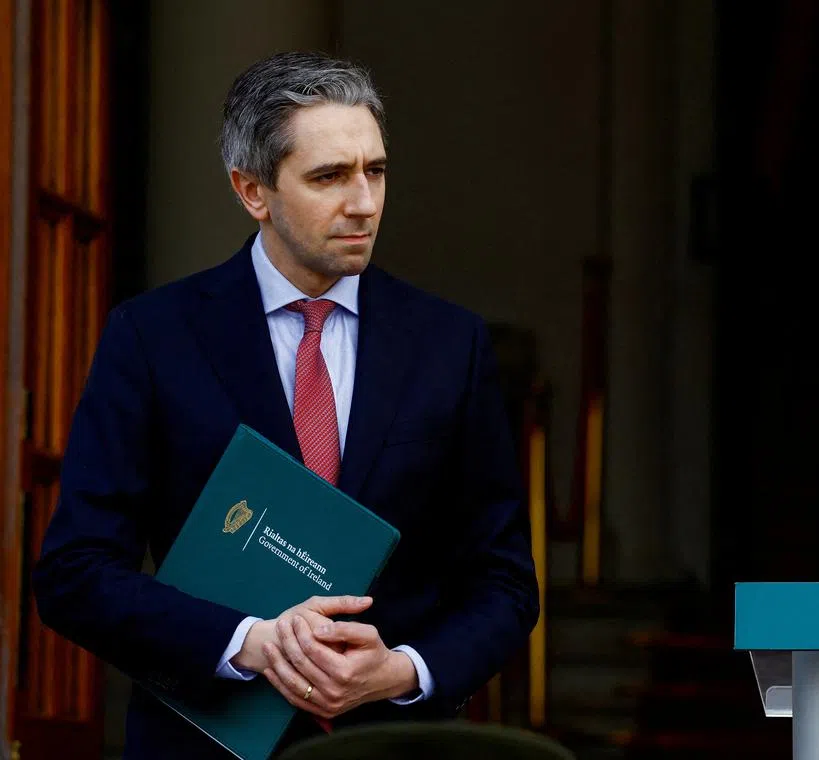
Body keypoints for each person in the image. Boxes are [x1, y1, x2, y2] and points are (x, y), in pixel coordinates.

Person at [31, 51, 539, 759]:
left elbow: (505, 581)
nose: (363, 201)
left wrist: (402, 670)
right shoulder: (153, 336)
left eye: (376, 170)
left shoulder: (452, 345)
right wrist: (249, 644)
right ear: (253, 191)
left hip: (392, 743)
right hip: (203, 741)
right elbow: (74, 572)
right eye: (329, 176)